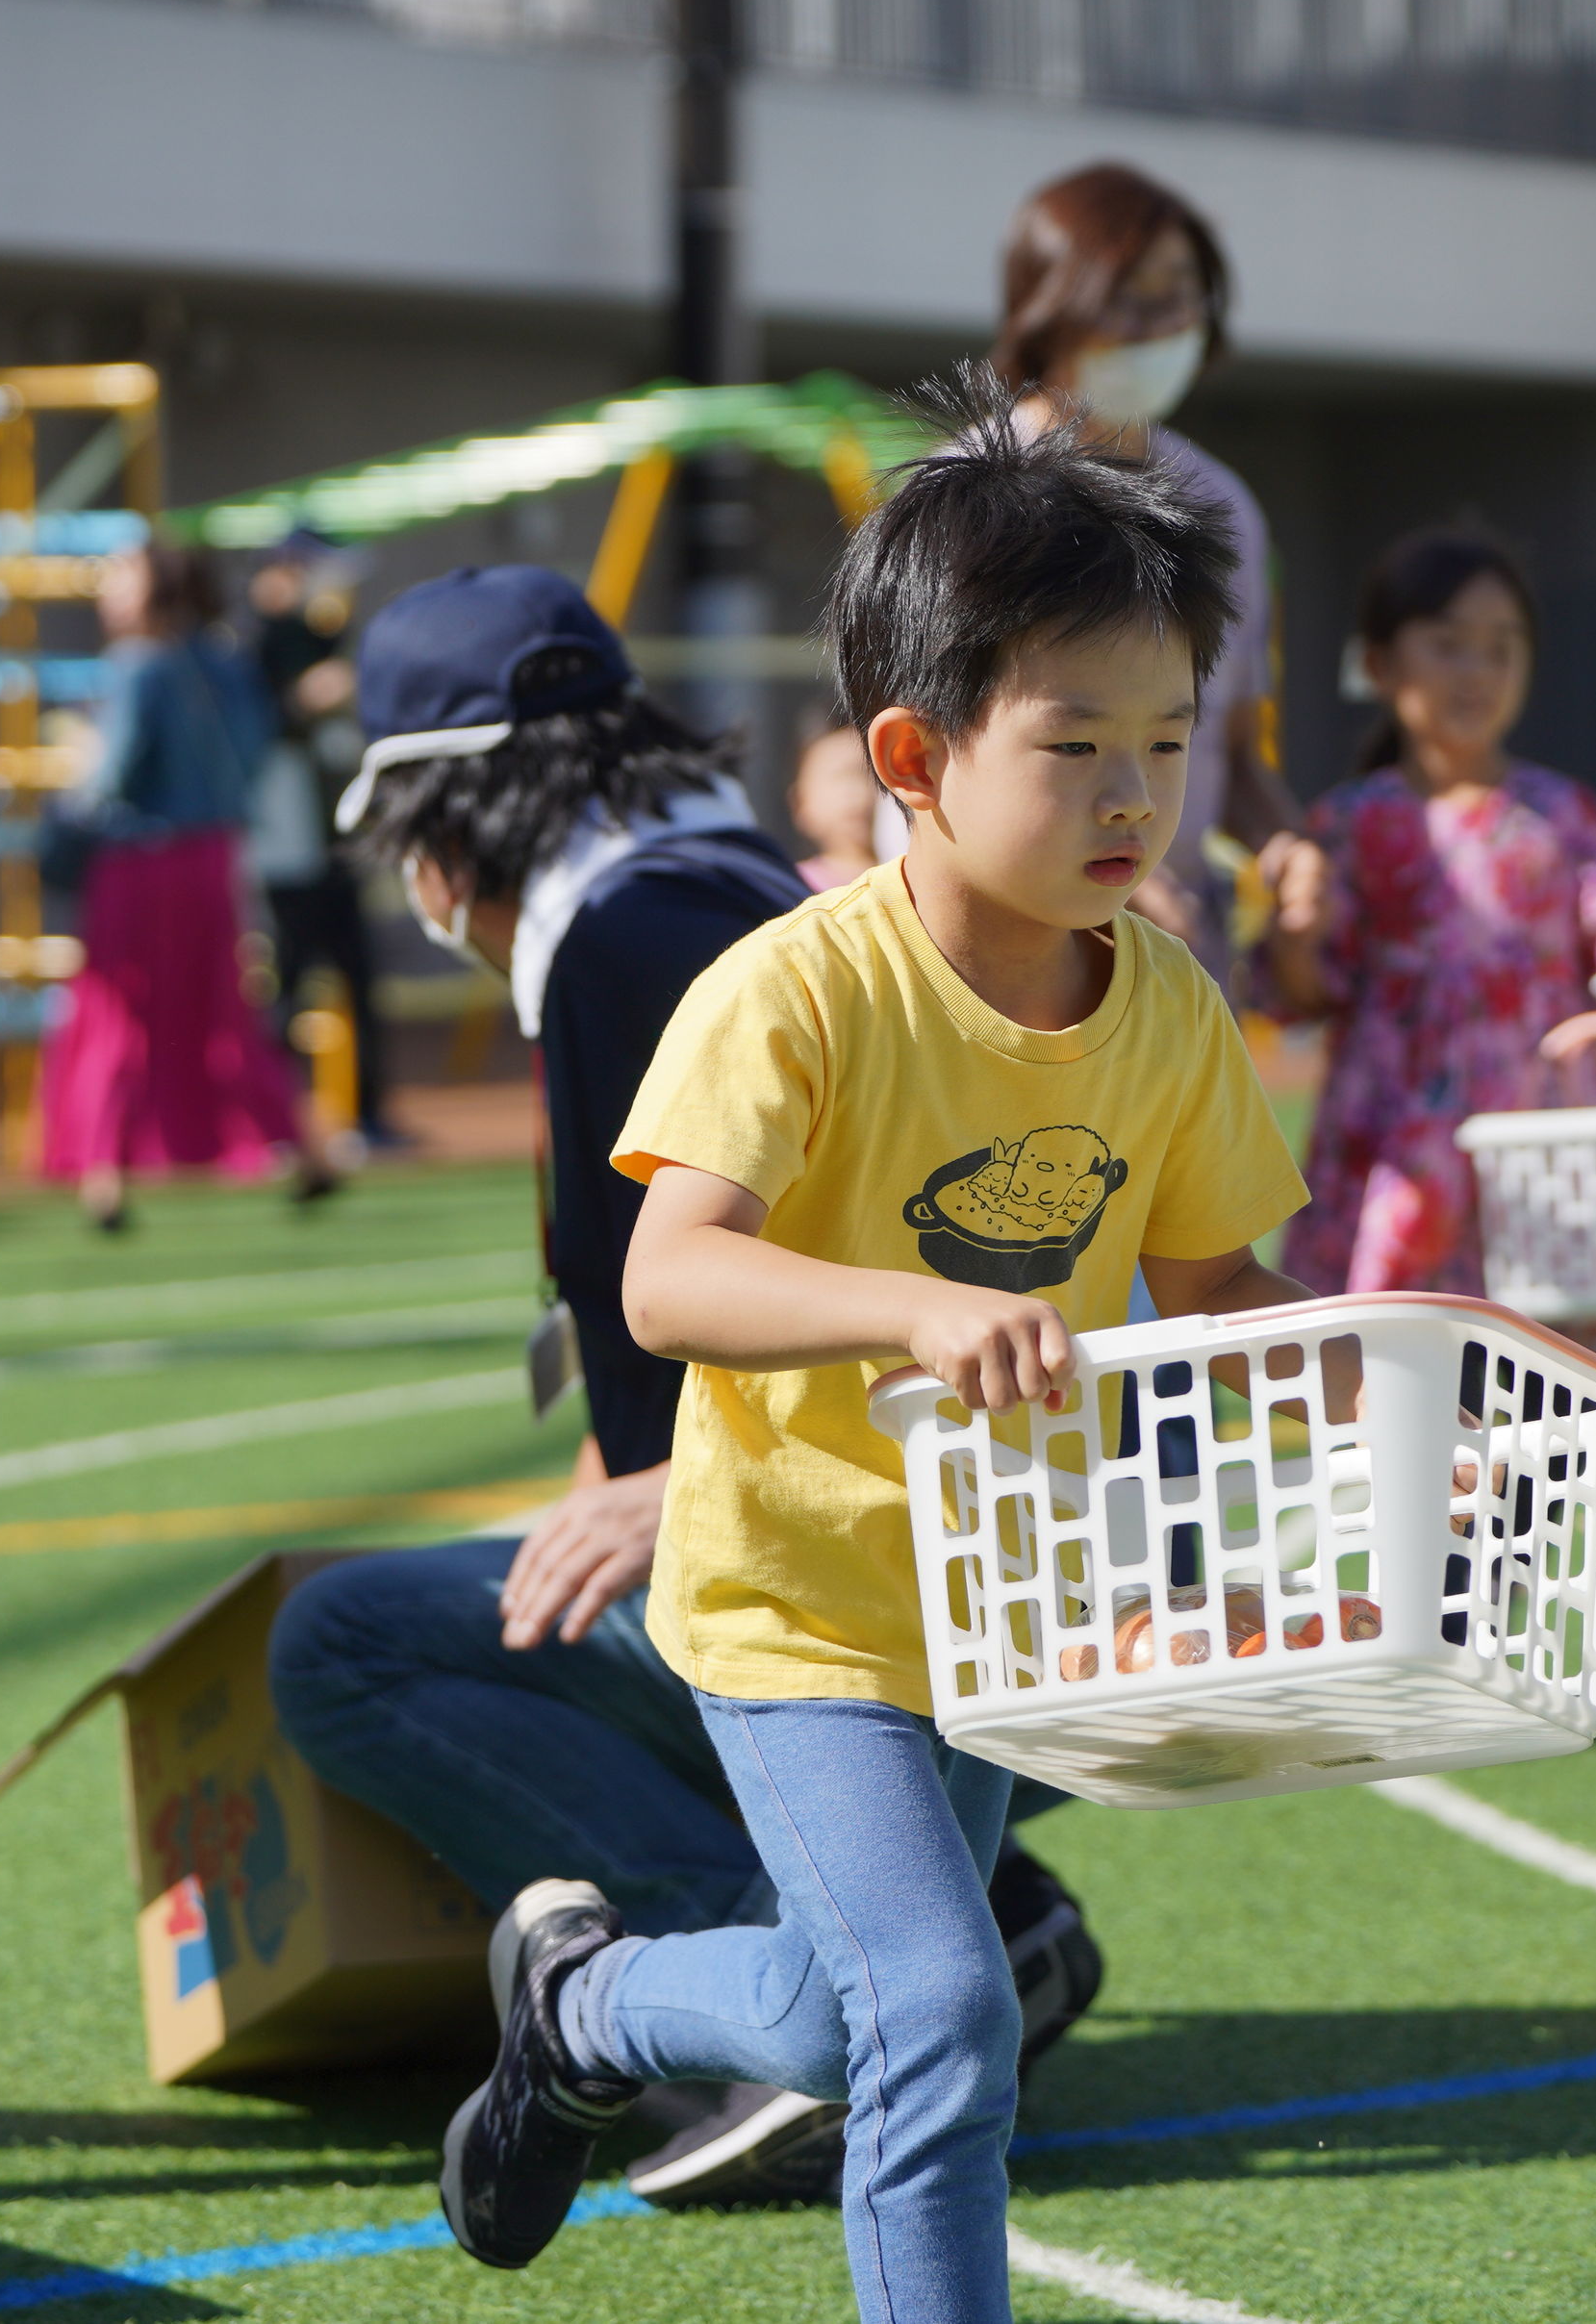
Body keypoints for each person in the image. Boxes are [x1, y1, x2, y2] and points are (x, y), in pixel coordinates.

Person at [433, 392, 1309, 2321]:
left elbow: (1219, 1282)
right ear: (911, 755)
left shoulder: (1160, 995)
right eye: (1072, 746)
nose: (1130, 799)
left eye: (1161, 745)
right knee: (937, 2009)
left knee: (846, 2023)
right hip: (791, 1604)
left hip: (1008, 1595)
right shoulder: (793, 986)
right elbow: (671, 1282)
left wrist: (1407, 1385)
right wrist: (915, 1307)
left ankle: (578, 2004)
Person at [267, 564, 1112, 2214]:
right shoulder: (732, 891)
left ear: (451, 820)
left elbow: (726, 1288)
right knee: (553, 1562)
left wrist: (666, 1491)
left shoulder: (626, 948)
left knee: (340, 1641)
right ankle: (954, 1900)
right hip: (1015, 1544)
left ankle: (783, 1966)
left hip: (868, 1556)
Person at [1262, 527, 1596, 1298]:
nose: (1477, 671)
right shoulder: (1352, 821)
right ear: (1380, 664)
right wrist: (1293, 935)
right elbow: (1307, 992)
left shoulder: (1563, 812)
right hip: (1396, 1140)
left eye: (1500, 647)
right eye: (1448, 644)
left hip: (1543, 1141)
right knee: (1388, 1363)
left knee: (1543, 1380)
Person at [980, 162, 1299, 977]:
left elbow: (1228, 750)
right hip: (997, 963)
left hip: (1177, 956)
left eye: (1184, 288)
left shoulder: (1221, 504)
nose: (1165, 321)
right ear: (1050, 302)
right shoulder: (969, 499)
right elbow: (933, 772)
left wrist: (1290, 849)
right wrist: (1095, 892)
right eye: (1131, 292)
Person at [38, 541, 345, 1229]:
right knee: (225, 1012)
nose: (107, 587)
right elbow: (258, 746)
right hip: (213, 857)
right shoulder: (225, 662)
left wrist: (75, 769)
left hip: (139, 862)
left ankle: (104, 1175)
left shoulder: (137, 665)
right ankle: (305, 1151)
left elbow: (111, 778)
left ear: (156, 587)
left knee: (118, 1016)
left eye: (122, 573)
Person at [245, 538, 399, 1145]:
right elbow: (250, 731)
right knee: (284, 985)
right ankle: (278, 1125)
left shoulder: (327, 635)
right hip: (286, 848)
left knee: (358, 981)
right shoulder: (251, 644)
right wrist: (297, 702)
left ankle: (368, 1118)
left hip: (335, 842)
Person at [791, 717, 883, 890]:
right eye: (841, 776)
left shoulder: (916, 882)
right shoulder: (794, 886)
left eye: (872, 775)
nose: (858, 791)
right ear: (800, 802)